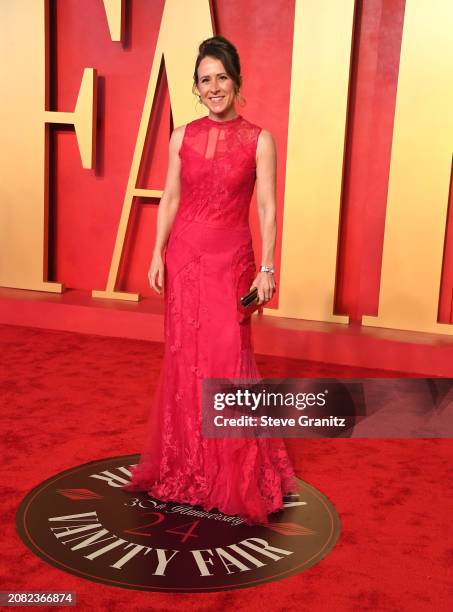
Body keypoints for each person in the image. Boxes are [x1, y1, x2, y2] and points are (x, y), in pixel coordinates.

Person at [123, 35, 297, 525]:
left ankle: (233, 475)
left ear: (236, 81)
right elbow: (171, 199)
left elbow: (266, 207)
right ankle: (187, 467)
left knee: (228, 362)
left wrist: (268, 266)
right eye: (205, 80)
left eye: (222, 77)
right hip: (185, 259)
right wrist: (157, 252)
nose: (214, 86)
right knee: (184, 361)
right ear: (196, 88)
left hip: (232, 261)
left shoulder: (260, 139)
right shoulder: (181, 136)